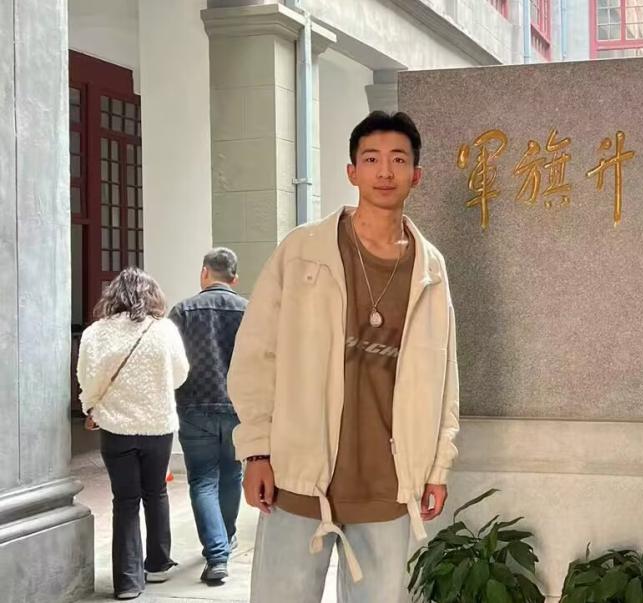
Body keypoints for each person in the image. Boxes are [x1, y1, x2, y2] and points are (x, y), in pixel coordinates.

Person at [228, 111, 461, 603]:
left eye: (398, 160)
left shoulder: (430, 267)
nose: (385, 171)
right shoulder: (303, 250)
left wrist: (437, 467)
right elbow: (257, 352)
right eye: (371, 159)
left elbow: (445, 377)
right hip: (299, 469)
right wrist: (256, 451)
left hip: (388, 481)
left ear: (416, 175)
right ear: (351, 171)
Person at [77, 266, 189, 600]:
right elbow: (180, 374)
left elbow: (87, 378)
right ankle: (158, 564)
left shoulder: (96, 333)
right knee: (156, 492)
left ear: (113, 295)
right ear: (152, 295)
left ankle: (127, 582)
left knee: (125, 501)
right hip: (158, 425)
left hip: (116, 426)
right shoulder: (164, 329)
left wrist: (90, 406)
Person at [168, 248, 248, 584]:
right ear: (235, 278)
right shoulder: (249, 310)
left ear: (204, 273)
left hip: (195, 406)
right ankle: (224, 540)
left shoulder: (183, 311)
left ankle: (217, 555)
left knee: (202, 480)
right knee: (232, 475)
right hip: (239, 408)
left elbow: (171, 361)